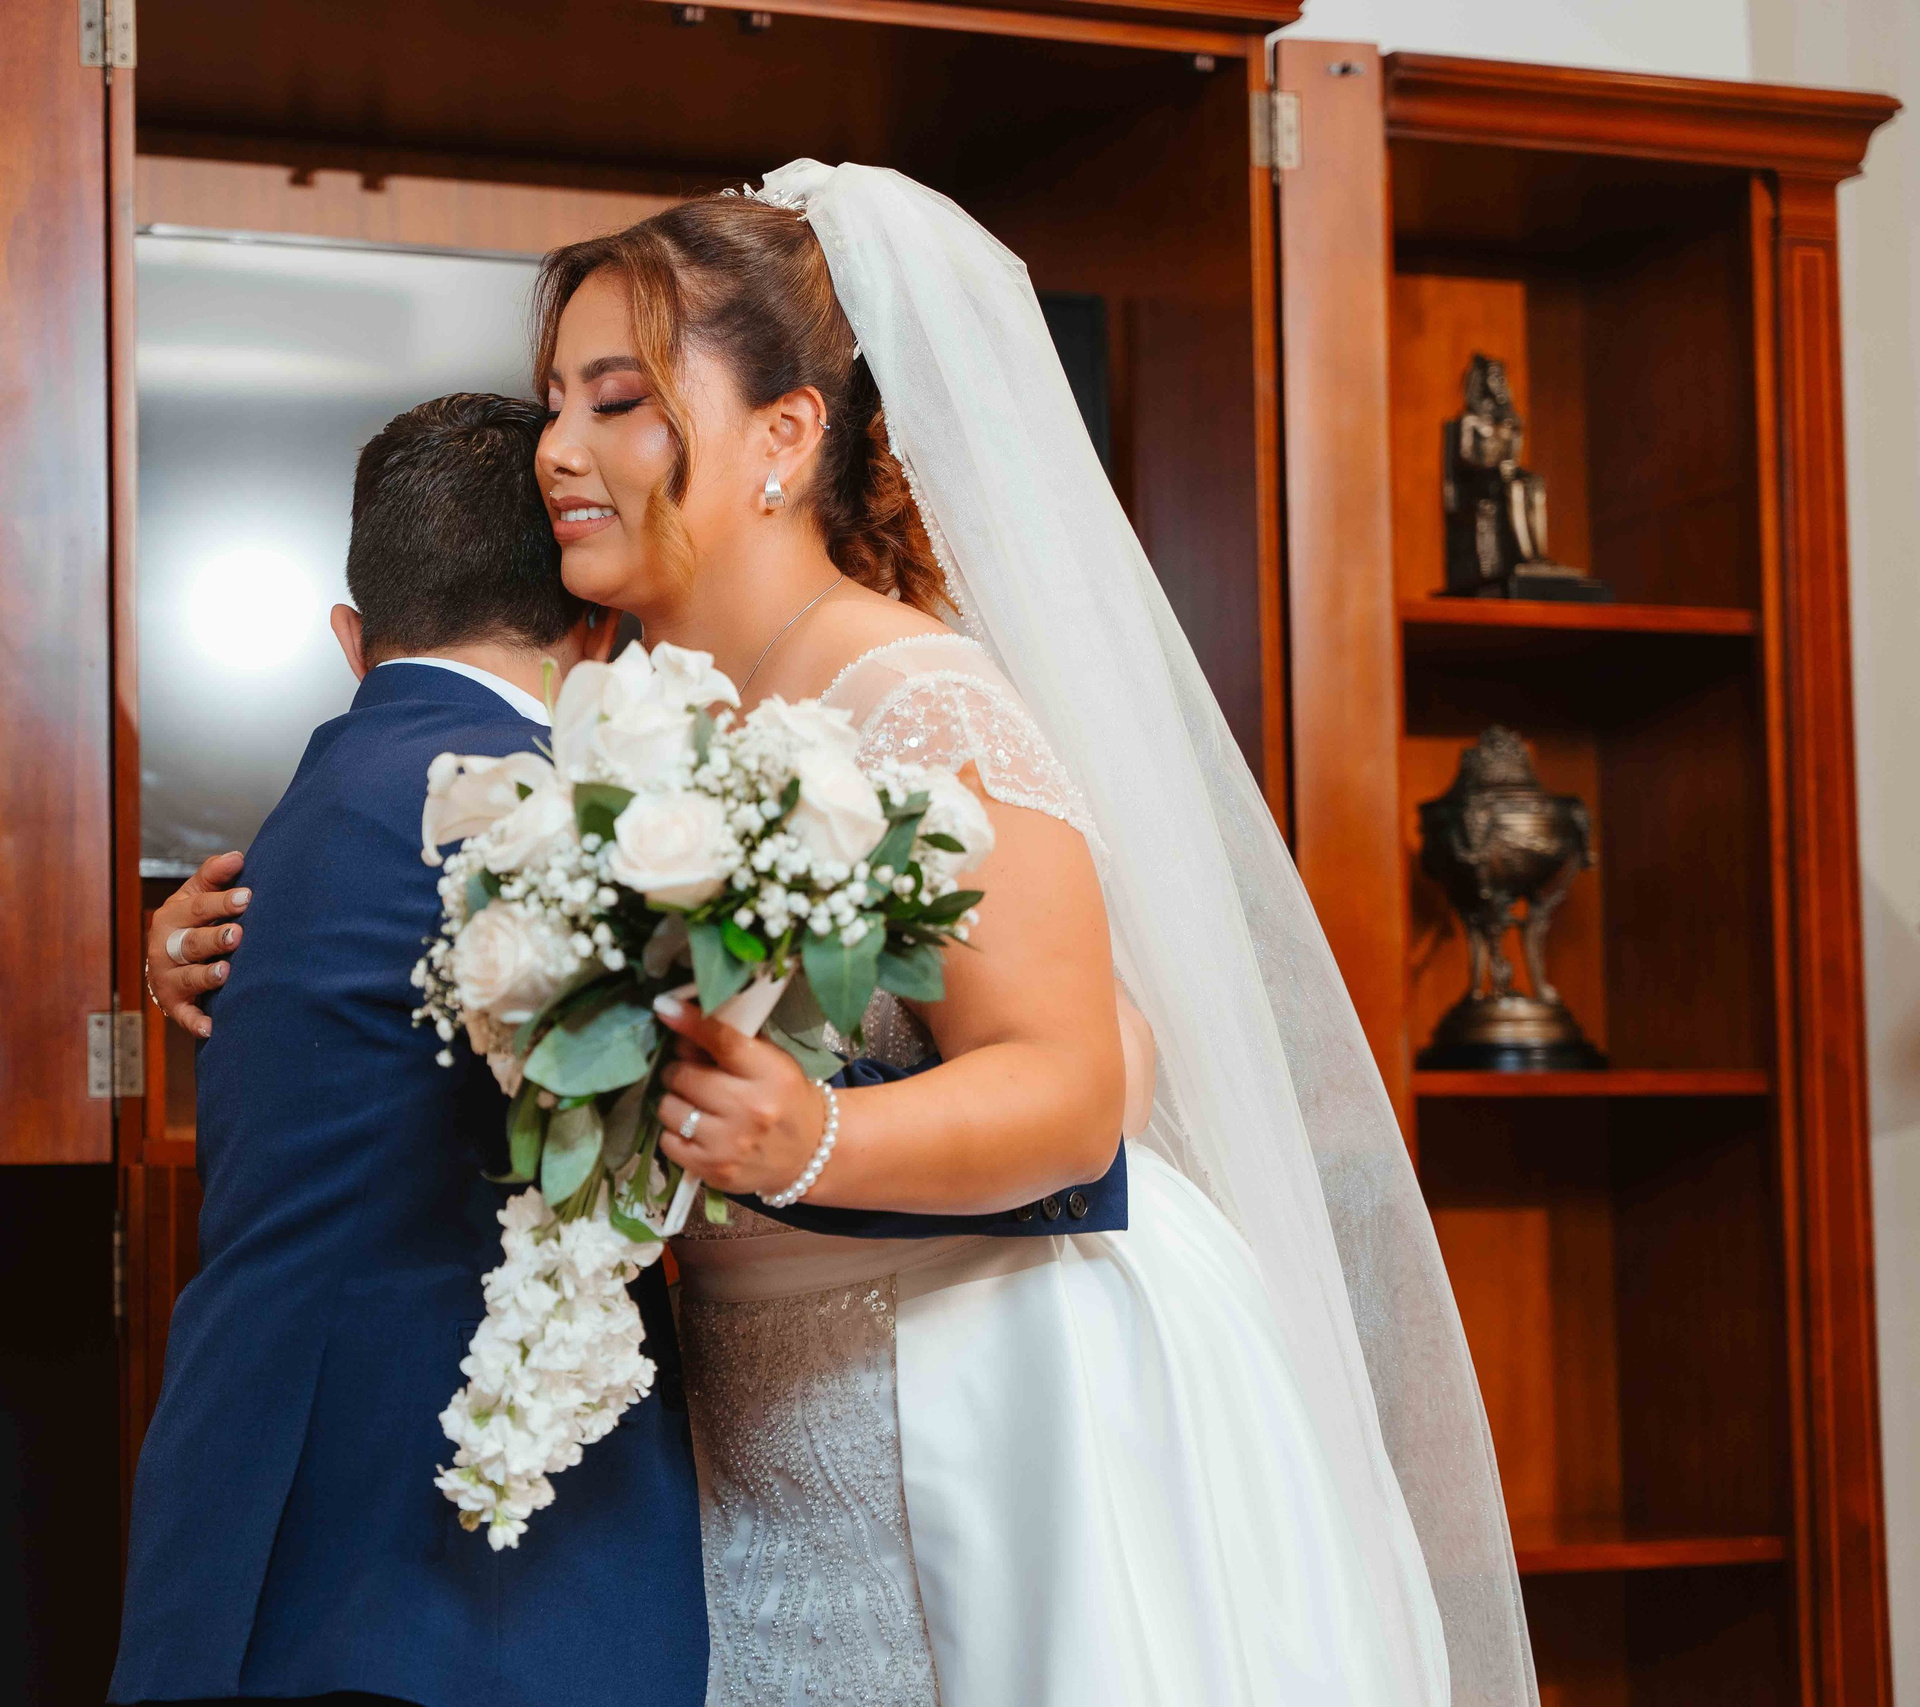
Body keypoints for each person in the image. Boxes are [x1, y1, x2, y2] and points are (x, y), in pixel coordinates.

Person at [156, 166, 1537, 1707]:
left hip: (990, 1397)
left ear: (787, 436)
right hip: (756, 1411)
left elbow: (1080, 1083)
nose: (556, 450)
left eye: (618, 402)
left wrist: (801, 1136)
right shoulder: (623, 720)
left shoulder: (908, 693)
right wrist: (222, 944)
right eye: (557, 404)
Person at [108, 394, 702, 1707]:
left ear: (348, 637)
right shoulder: (547, 823)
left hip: (266, 1528)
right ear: (599, 632)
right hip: (453, 1588)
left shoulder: (306, 822)